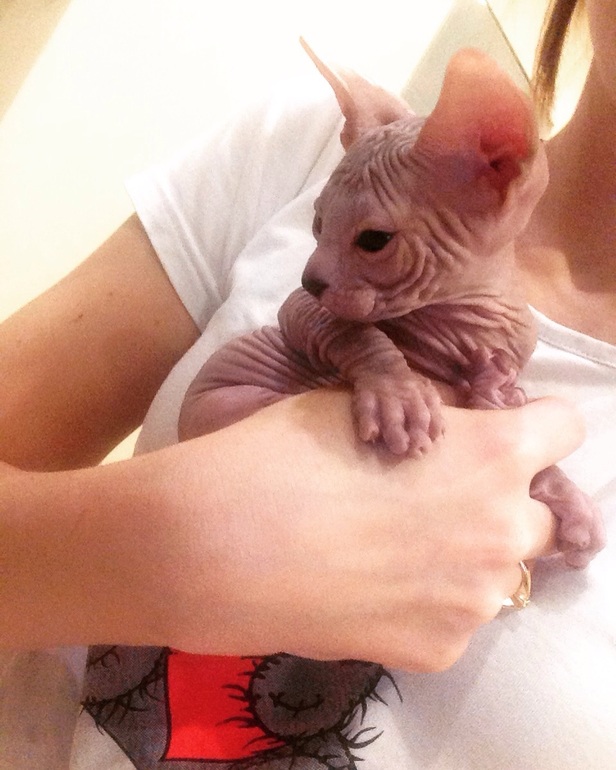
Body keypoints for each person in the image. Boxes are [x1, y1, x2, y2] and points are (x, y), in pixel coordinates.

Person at [0, 0, 614, 766]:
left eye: (371, 243)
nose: (318, 269)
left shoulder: (476, 286)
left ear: (500, 160)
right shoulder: (308, 153)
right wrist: (171, 545)